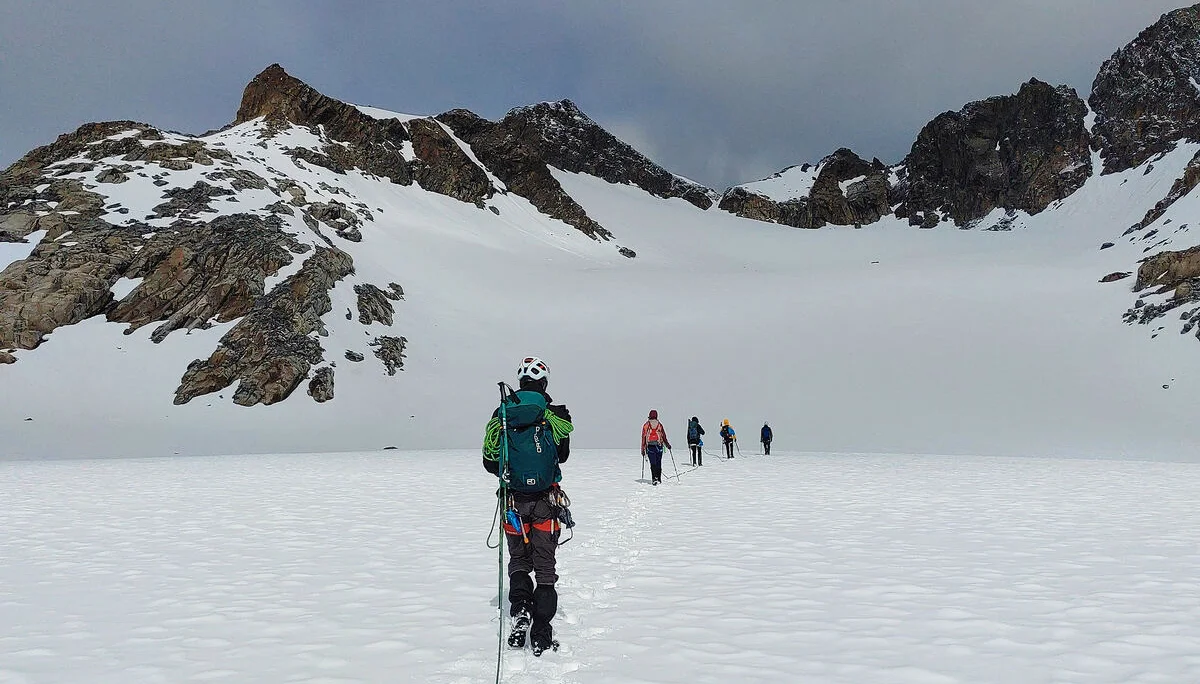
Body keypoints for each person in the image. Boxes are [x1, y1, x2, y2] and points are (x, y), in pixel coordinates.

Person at [483, 356, 573, 656]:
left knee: (519, 560)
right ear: (544, 383)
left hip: (513, 502)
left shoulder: (502, 413)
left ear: (520, 382)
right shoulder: (555, 414)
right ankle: (542, 630)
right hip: (546, 501)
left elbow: (490, 462)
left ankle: (521, 607)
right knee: (545, 567)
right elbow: (562, 456)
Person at [641, 410, 672, 485]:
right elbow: (663, 436)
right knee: (658, 462)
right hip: (659, 446)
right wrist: (667, 444)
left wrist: (643, 449)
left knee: (653, 463)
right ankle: (659, 478)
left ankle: (654, 478)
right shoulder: (659, 425)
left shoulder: (646, 425)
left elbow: (643, 437)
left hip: (650, 446)